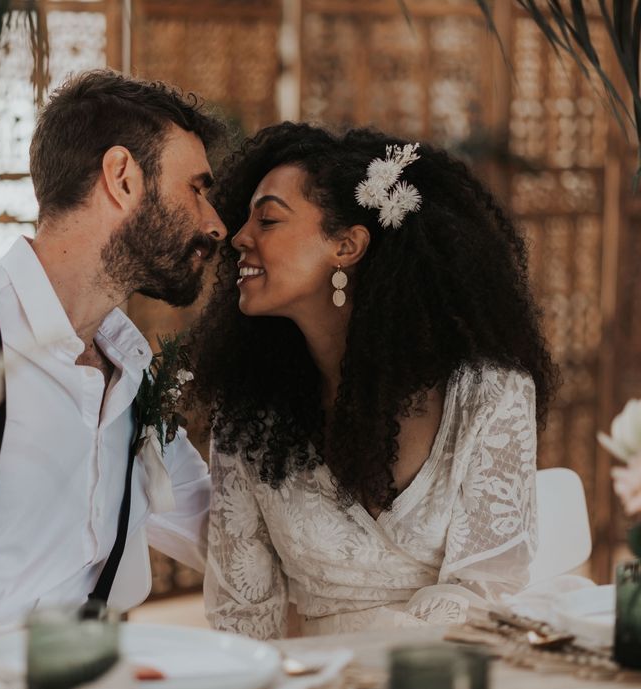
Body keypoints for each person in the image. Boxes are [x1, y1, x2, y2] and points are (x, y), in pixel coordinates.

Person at [0, 69, 227, 634]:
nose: (216, 225)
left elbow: (222, 538)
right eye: (197, 189)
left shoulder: (131, 369)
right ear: (122, 178)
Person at [188, 123, 559, 638]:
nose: (238, 238)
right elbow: (242, 617)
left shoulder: (487, 394)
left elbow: (484, 591)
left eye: (268, 219)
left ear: (347, 246)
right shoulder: (250, 420)